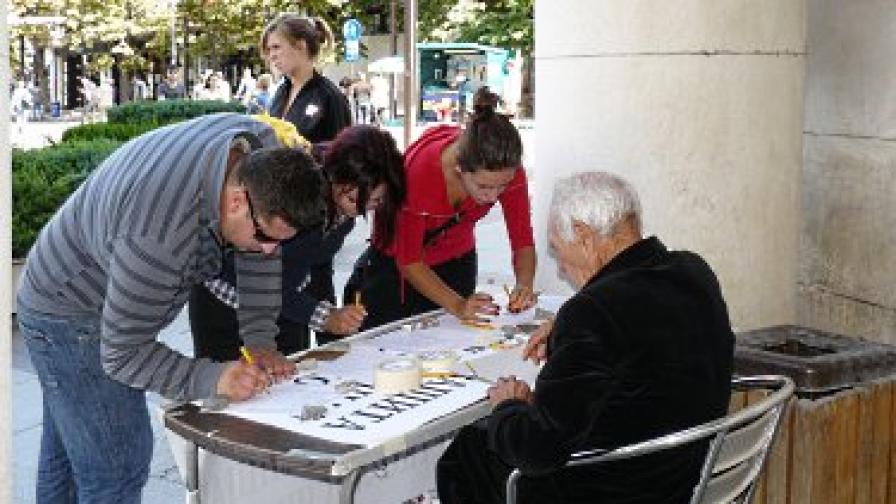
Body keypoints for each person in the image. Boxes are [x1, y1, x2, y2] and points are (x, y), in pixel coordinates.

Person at [16, 112, 328, 502]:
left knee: (71, 452)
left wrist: (261, 340)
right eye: (265, 236)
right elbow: (124, 354)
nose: (268, 251)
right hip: (69, 309)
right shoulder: (160, 237)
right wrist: (213, 378)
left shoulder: (260, 153)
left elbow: (259, 255)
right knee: (115, 468)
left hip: (77, 273)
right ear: (235, 202)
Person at [436, 171, 735, 504]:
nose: (561, 266)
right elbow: (643, 336)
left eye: (557, 248)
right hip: (679, 476)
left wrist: (508, 407)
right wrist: (567, 325)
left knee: (470, 452)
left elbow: (538, 449)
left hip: (614, 488)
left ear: (584, 235)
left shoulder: (593, 313)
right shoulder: (693, 272)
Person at [190, 124, 405, 359]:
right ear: (334, 176)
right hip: (229, 303)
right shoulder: (298, 202)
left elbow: (317, 268)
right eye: (355, 199)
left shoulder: (342, 212)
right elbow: (266, 279)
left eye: (376, 201)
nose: (364, 208)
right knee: (235, 384)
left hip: (287, 305)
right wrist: (325, 317)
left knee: (289, 376)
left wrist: (332, 326)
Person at [348, 87, 537, 331]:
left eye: (502, 187)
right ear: (459, 167)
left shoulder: (507, 171)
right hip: (398, 270)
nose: (493, 196)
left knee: (456, 344)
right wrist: (457, 305)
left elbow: (522, 239)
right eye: (484, 187)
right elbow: (409, 261)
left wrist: (524, 285)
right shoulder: (420, 174)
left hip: (458, 259)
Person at [262, 14, 352, 144]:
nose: (271, 56)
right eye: (268, 50)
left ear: (300, 46)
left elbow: (343, 154)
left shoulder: (330, 96)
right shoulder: (280, 92)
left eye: (276, 47)